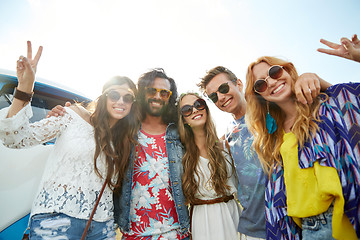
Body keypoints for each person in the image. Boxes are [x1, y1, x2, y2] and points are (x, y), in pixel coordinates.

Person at [0, 41, 140, 239]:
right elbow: (15, 138)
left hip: (103, 227)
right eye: (114, 95)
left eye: (128, 98)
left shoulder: (125, 139)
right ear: (103, 97)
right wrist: (24, 88)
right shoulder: (72, 115)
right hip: (56, 220)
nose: (121, 101)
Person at [197, 66, 324, 239]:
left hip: (290, 220)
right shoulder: (227, 134)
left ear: (239, 84)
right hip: (253, 228)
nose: (220, 97)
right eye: (213, 96)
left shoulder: (270, 110)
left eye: (223, 88)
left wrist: (309, 76)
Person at [245, 56, 360, 239]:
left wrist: (318, 79)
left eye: (274, 72)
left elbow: (350, 104)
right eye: (261, 84)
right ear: (260, 96)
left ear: (287, 70)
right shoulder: (272, 139)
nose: (272, 82)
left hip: (347, 217)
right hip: (307, 230)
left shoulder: (325, 107)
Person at [113, 68, 190, 239]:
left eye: (164, 93)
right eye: (152, 91)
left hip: (175, 232)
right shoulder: (124, 130)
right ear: (141, 93)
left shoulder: (180, 133)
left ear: (170, 98)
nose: (157, 96)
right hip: (134, 233)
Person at [177, 92, 240, 240]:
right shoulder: (181, 156)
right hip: (202, 220)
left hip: (232, 215)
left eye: (199, 104)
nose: (195, 110)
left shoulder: (227, 145)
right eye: (187, 109)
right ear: (183, 120)